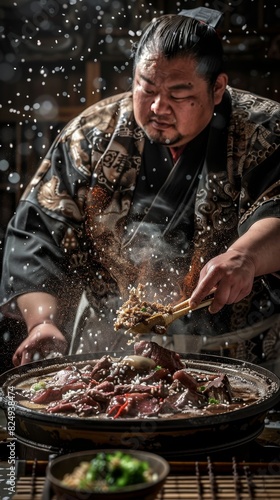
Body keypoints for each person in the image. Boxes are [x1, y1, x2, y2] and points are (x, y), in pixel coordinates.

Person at [1, 8, 280, 373]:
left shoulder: (265, 129)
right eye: (146, 89)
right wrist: (41, 323)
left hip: (245, 354)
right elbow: (36, 235)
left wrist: (246, 256)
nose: (158, 108)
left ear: (217, 88)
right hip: (112, 349)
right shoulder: (92, 136)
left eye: (179, 94)